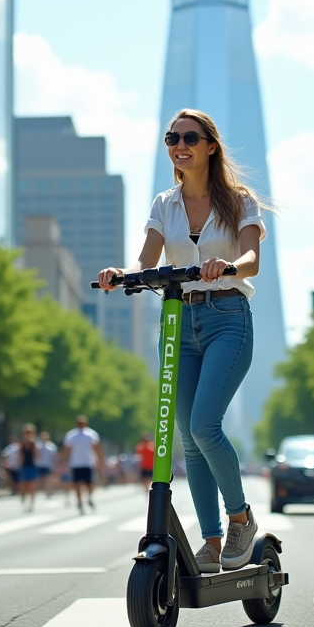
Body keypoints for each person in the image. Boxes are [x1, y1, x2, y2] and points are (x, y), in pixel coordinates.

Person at [98, 108, 266, 573]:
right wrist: (120, 275)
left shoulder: (238, 200)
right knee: (187, 443)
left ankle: (241, 518)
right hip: (179, 321)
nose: (179, 145)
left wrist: (227, 266)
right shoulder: (164, 204)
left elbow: (251, 257)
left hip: (227, 317)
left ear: (211, 145)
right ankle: (211, 541)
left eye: (190, 137)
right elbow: (146, 261)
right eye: (172, 138)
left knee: (203, 426)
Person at [60, 415, 105, 515]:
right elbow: (67, 449)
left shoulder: (91, 434)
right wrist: (63, 460)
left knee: (90, 484)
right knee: (77, 484)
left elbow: (97, 448)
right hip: (75, 463)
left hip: (88, 463)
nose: (81, 424)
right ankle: (79, 501)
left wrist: (100, 461)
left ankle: (89, 497)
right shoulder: (71, 435)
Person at [18, 424, 40, 512]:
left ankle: (31, 502)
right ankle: (23, 497)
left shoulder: (33, 443)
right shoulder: (22, 443)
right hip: (24, 466)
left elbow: (36, 455)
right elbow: (20, 456)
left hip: (32, 466)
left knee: (32, 485)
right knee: (23, 485)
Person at [36, 431, 57, 497]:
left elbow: (54, 456)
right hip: (39, 465)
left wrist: (54, 464)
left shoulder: (51, 446)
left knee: (48, 479)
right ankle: (37, 491)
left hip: (48, 465)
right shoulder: (37, 445)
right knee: (38, 479)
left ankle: (49, 491)